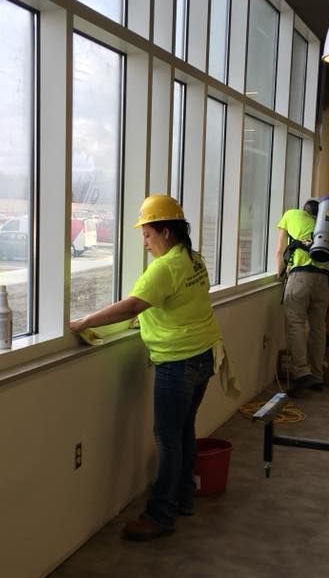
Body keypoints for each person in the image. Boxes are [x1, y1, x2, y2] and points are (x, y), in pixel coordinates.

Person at [69, 194, 222, 542]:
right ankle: (184, 498)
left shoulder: (166, 267)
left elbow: (133, 305)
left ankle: (160, 515)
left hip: (178, 362)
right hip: (204, 355)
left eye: (148, 234)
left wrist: (85, 321)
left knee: (168, 441)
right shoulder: (193, 259)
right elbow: (171, 303)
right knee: (184, 433)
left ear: (166, 232)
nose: (144, 242)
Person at [275, 199, 329, 392]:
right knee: (318, 328)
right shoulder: (323, 227)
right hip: (323, 280)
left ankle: (301, 373)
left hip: (300, 278)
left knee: (295, 323)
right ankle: (317, 376)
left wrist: (280, 272)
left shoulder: (291, 214)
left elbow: (280, 249)